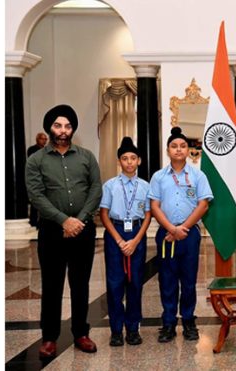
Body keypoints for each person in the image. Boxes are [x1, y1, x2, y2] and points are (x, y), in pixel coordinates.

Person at [25, 104, 102, 357]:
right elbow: (36, 195)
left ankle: (81, 332)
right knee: (52, 285)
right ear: (49, 127)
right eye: (58, 125)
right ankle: (49, 338)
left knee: (80, 284)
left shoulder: (86, 156)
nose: (63, 130)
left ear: (73, 129)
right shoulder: (35, 160)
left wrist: (78, 220)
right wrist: (63, 221)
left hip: (83, 230)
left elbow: (95, 189)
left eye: (68, 126)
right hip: (51, 232)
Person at [148, 126, 213, 343]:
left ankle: (188, 321)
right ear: (168, 150)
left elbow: (203, 204)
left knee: (188, 280)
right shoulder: (158, 176)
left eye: (183, 146)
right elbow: (154, 206)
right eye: (174, 146)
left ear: (189, 150)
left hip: (189, 234)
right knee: (167, 279)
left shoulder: (197, 175)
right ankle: (168, 323)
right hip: (166, 233)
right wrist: (171, 229)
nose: (178, 149)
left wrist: (182, 228)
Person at [99, 137, 152, 347]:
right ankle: (115, 330)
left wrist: (136, 240)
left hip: (137, 231)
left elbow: (148, 215)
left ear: (139, 160)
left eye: (133, 158)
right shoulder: (110, 185)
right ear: (119, 161)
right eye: (124, 158)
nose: (129, 162)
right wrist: (120, 240)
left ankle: (132, 329)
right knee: (114, 284)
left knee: (135, 283)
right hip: (115, 232)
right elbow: (103, 214)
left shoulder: (146, 186)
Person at [27, 132, 48, 227]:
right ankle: (33, 221)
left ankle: (42, 222)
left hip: (46, 177)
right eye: (42, 139)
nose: (44, 141)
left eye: (45, 139)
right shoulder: (32, 150)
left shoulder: (47, 150)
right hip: (36, 177)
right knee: (35, 200)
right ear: (37, 139)